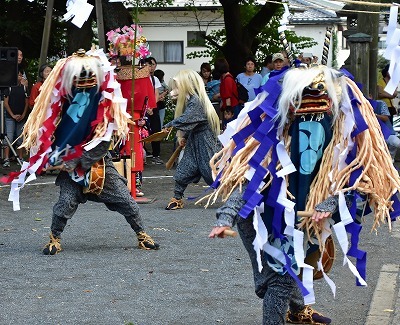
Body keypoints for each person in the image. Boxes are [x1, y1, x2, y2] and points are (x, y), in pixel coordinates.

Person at [207, 64, 400, 325]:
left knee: (293, 266)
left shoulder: (343, 148)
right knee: (280, 279)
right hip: (268, 220)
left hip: (309, 217)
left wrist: (330, 203)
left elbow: (360, 186)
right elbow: (248, 185)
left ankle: (298, 311)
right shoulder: (274, 147)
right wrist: (224, 218)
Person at [3, 49, 159, 254]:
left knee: (126, 201)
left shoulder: (104, 102)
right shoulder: (60, 105)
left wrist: (79, 160)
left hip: (99, 165)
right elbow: (50, 134)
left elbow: (104, 141)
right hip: (71, 166)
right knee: (65, 203)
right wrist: (50, 156)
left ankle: (141, 234)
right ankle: (54, 238)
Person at [163, 69, 222, 210]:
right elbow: (192, 122)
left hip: (206, 141)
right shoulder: (192, 100)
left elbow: (187, 119)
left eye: (177, 87)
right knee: (184, 169)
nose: (174, 91)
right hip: (195, 140)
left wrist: (170, 125)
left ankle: (240, 196)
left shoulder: (197, 101)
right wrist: (185, 136)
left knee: (212, 173)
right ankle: (177, 197)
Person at [2, 67, 29, 167]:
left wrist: (23, 114)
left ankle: (20, 158)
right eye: (17, 75)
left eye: (20, 75)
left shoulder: (24, 88)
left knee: (20, 137)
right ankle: (6, 159)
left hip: (21, 116)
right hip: (10, 116)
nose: (19, 77)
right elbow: (5, 103)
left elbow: (27, 103)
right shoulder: (8, 87)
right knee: (8, 137)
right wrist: (12, 115)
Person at [145, 57, 164, 165]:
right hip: (143, 108)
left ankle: (156, 154)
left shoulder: (154, 79)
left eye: (152, 65)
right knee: (143, 131)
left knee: (156, 131)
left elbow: (156, 94)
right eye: (149, 65)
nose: (151, 67)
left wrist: (152, 107)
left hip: (153, 107)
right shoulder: (140, 78)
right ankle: (143, 153)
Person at [214, 58, 240, 125]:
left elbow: (228, 97)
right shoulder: (227, 78)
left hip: (231, 108)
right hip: (232, 108)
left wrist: (227, 113)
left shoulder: (227, 79)